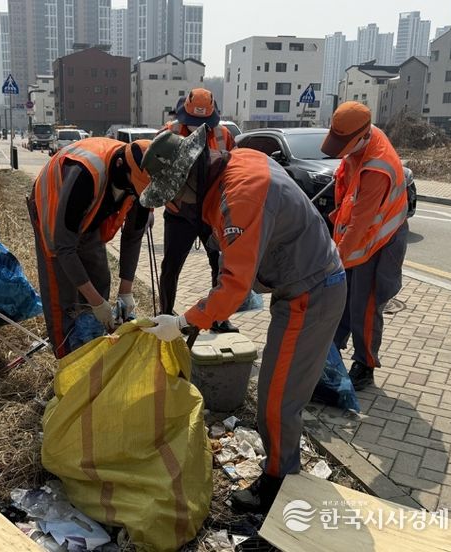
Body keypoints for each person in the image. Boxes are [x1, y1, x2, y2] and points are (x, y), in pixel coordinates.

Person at [138, 125, 347, 513]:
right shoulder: (237, 165)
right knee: (277, 394)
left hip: (312, 292)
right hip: (302, 283)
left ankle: (278, 486)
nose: (176, 205)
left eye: (176, 194)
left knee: (277, 401)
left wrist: (182, 323)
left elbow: (234, 288)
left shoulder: (240, 196)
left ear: (191, 175)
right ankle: (281, 472)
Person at [28, 138, 152, 359]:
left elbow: (133, 237)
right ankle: (67, 359)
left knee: (99, 277)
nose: (137, 193)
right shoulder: (86, 175)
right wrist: (96, 302)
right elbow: (64, 247)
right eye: (136, 188)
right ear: (121, 167)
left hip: (89, 215)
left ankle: (94, 345)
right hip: (53, 206)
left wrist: (125, 291)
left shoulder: (144, 181)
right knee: (64, 294)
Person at [321, 101, 408, 391]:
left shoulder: (377, 169)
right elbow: (347, 185)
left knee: (365, 305)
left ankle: (365, 364)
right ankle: (331, 351)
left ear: (362, 135)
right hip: (360, 236)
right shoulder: (361, 139)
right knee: (342, 298)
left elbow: (360, 224)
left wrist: (337, 259)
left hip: (380, 242)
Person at [159, 88, 238, 333]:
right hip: (179, 214)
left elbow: (235, 170)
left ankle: (218, 318)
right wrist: (151, 208)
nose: (197, 126)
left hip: (211, 214)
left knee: (220, 265)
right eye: (193, 120)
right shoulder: (169, 133)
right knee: (171, 266)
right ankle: (165, 314)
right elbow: (153, 173)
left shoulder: (224, 135)